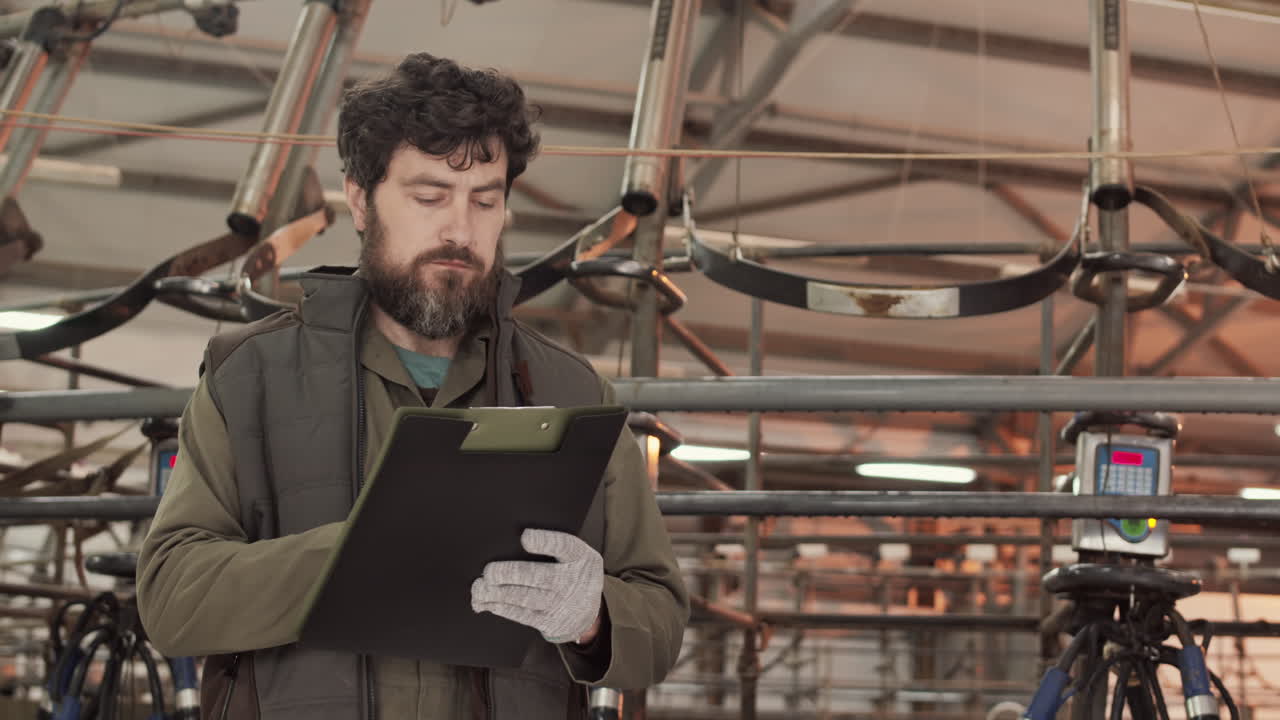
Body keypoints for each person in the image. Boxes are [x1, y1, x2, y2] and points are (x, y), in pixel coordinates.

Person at [136, 52, 689, 720]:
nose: (460, 229)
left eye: (485, 201)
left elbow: (660, 617)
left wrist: (593, 615)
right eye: (429, 197)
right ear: (360, 199)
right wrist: (362, 551)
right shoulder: (250, 377)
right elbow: (171, 597)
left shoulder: (571, 392)